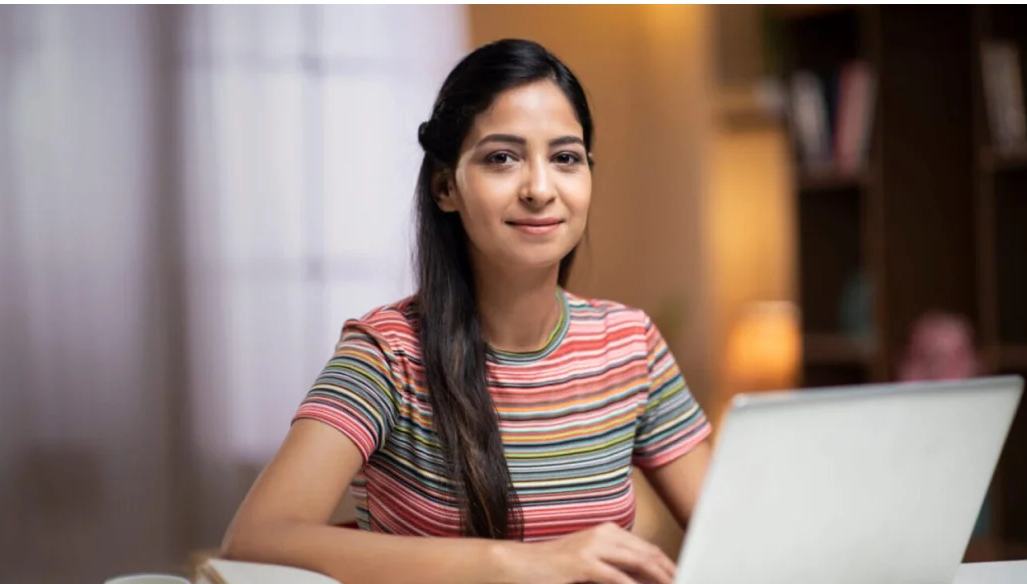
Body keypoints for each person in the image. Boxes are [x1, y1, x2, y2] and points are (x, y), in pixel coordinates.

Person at [220, 38, 713, 584]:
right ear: (445, 187)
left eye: (565, 158)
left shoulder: (628, 343)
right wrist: (514, 562)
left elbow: (733, 531)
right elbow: (254, 541)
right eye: (502, 158)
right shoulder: (387, 353)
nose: (540, 189)